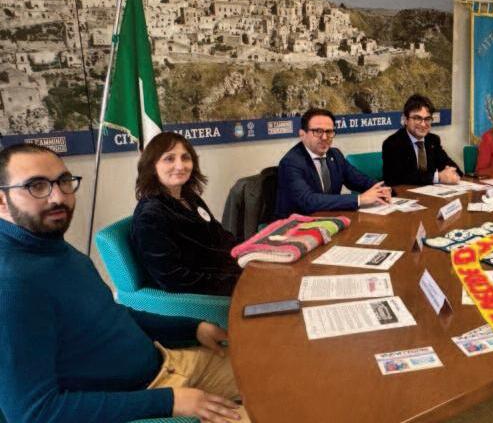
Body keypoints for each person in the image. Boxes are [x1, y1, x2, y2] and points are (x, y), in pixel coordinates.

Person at [0, 144, 249, 423]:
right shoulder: (11, 284)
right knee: (275, 409)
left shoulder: (54, 249)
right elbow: (34, 414)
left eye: (64, 181)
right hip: (146, 397)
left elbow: (114, 315)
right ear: (1, 200)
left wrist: (192, 328)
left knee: (278, 367)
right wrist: (168, 402)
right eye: (36, 186)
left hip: (168, 362)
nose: (58, 196)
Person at [130, 132, 241, 296]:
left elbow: (219, 235)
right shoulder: (150, 216)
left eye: (185, 158)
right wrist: (237, 282)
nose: (180, 166)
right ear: (152, 166)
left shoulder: (189, 197)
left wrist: (251, 251)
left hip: (228, 270)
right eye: (169, 159)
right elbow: (172, 278)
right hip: (205, 292)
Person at [276, 107, 391, 217]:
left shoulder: (335, 155)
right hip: (298, 224)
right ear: (302, 134)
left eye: (329, 132)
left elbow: (359, 180)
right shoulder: (291, 163)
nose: (325, 137)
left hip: (331, 218)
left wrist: (382, 189)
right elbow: (308, 201)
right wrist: (359, 199)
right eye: (318, 131)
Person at [382, 94, 463, 186]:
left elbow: (452, 167)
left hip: (431, 192)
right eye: (417, 118)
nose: (423, 124)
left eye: (427, 119)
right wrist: (438, 177)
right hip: (404, 193)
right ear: (405, 120)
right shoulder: (392, 143)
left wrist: (451, 172)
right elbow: (398, 177)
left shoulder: (432, 140)